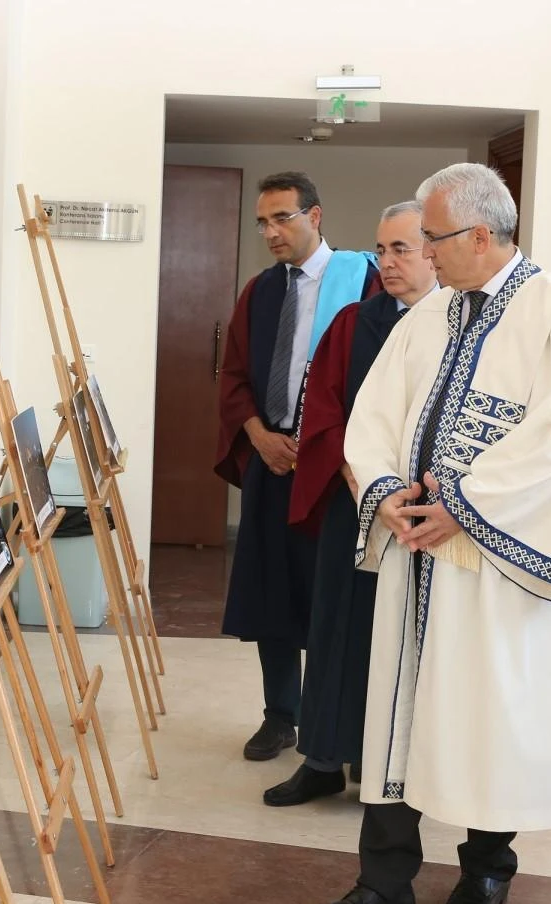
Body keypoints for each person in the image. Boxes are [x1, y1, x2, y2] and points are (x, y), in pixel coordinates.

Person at [309, 163, 551, 904]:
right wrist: (387, 493)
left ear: (481, 233)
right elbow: (373, 413)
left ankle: (486, 868)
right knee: (396, 711)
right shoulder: (431, 313)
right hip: (417, 549)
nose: (424, 254)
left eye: (434, 238)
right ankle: (385, 885)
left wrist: (466, 509)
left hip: (497, 564)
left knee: (486, 713)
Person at [264, 201, 438, 807]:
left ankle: (396, 764)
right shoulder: (352, 323)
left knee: (413, 642)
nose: (386, 263)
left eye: (402, 250)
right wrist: (362, 481)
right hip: (357, 504)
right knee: (340, 629)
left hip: (430, 518)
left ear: (434, 251)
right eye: (381, 250)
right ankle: (323, 758)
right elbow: (325, 414)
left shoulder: (461, 327)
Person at [215, 171, 380, 761]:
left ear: (315, 216)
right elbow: (233, 375)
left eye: (282, 218)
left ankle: (328, 724)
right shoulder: (260, 293)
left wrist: (325, 448)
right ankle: (279, 713)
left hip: (334, 471)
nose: (270, 232)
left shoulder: (365, 283)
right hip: (272, 462)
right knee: (271, 591)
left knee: (329, 595)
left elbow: (381, 382)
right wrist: (257, 435)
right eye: (263, 222)